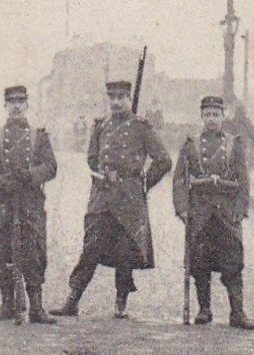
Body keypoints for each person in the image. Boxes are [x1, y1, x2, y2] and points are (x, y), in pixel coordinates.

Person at [53, 80, 173, 319]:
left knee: (125, 251)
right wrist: (102, 172)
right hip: (102, 197)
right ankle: (72, 300)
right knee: (90, 247)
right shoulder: (101, 126)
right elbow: (91, 158)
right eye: (112, 98)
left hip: (129, 198)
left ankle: (121, 302)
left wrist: (143, 183)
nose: (116, 102)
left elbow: (163, 160)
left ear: (129, 99)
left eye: (121, 98)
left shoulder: (141, 127)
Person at [173, 95, 254, 329]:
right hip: (201, 212)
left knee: (233, 261)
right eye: (207, 114)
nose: (212, 119)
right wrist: (182, 209)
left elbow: (243, 178)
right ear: (201, 116)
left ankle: (237, 312)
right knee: (200, 262)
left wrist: (241, 209)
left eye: (216, 114)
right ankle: (204, 309)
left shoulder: (233, 144)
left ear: (223, 116)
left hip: (227, 213)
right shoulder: (191, 144)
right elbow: (179, 179)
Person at [0, 85, 59, 324]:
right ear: (5, 105)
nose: (16, 106)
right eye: (11, 101)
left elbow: (51, 166)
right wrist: (1, 183)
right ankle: (7, 304)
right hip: (3, 202)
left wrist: (31, 175)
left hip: (30, 203)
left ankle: (36, 307)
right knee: (2, 250)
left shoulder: (39, 136)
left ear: (27, 104)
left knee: (34, 252)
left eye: (20, 101)